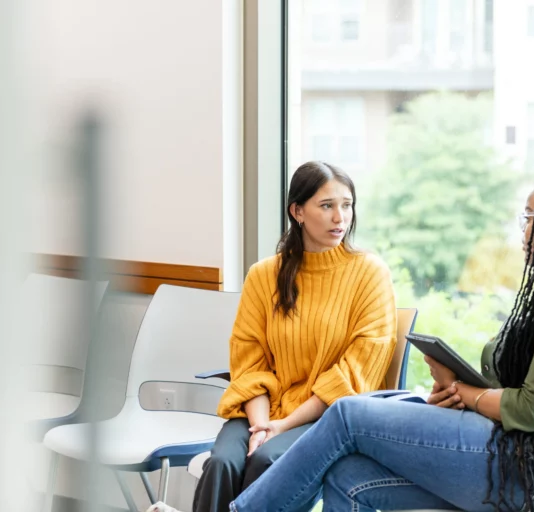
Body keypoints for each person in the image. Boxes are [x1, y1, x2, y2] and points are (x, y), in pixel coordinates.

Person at [222, 169, 534, 512]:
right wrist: (462, 393)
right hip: (511, 452)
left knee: (349, 415)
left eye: (531, 216)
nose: (524, 226)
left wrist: (466, 391)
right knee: (346, 477)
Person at [147, 161, 398, 512]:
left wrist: (281, 427)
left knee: (266, 461)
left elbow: (354, 376)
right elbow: (249, 361)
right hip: (262, 410)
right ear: (298, 211)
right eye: (326, 206)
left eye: (347, 204)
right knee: (221, 463)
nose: (340, 218)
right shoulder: (265, 275)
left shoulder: (370, 274)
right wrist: (262, 425)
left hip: (329, 419)